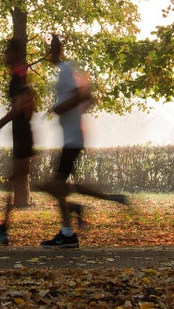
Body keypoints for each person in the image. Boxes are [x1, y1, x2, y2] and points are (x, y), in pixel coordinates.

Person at [38, 34, 129, 249]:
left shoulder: (67, 69)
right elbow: (88, 97)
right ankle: (93, 205)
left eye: (52, 49)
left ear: (58, 50)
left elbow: (82, 95)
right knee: (58, 186)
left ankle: (69, 231)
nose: (49, 54)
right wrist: (75, 110)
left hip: (72, 139)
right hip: (71, 138)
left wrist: (61, 108)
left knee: (55, 186)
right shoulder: (65, 70)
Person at [0, 37, 35, 246]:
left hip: (22, 136)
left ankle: (2, 229)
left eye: (7, 52)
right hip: (23, 135)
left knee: (18, 181)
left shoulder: (18, 77)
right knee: (15, 180)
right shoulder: (21, 75)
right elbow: (30, 104)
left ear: (13, 54)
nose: (4, 57)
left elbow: (21, 106)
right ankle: (2, 228)